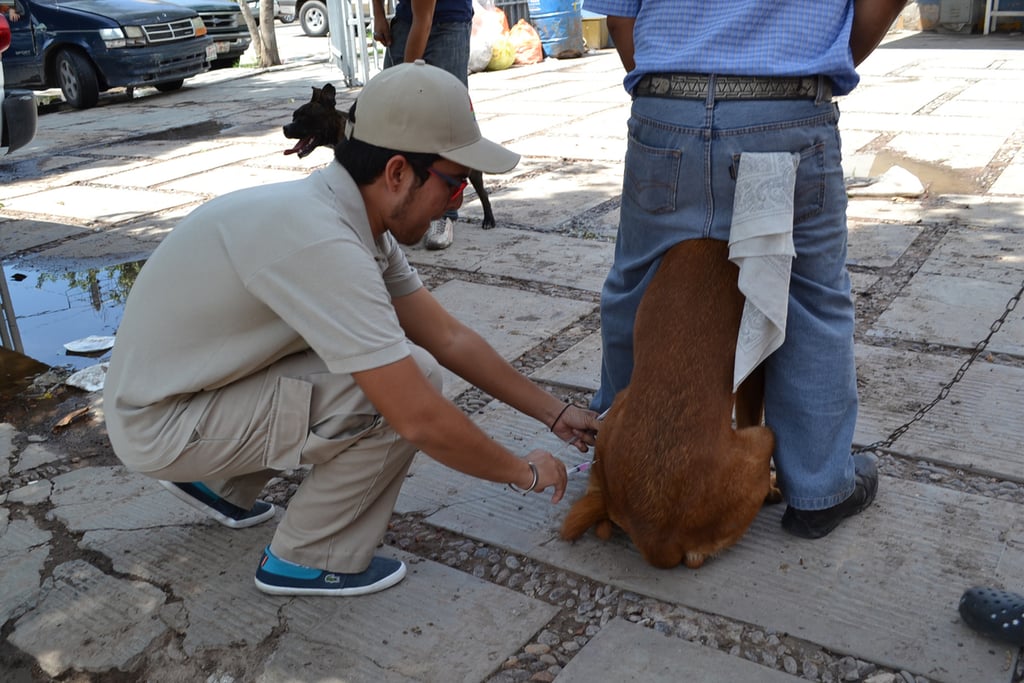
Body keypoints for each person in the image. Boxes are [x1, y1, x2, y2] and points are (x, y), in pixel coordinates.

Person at [103, 61, 600, 597]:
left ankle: (218, 484)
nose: (456, 203)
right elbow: (417, 417)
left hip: (179, 396)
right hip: (160, 424)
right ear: (396, 174)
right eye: (454, 185)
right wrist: (521, 471)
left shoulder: (349, 220)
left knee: (407, 368)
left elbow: (449, 337)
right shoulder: (324, 244)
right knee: (402, 388)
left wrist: (555, 413)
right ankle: (309, 556)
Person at [582, 0, 908, 538]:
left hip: (667, 108)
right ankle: (820, 488)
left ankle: (620, 474)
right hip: (786, 108)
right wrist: (802, 69)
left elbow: (619, 17)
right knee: (810, 301)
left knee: (634, 287)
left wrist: (678, 93)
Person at [371, 0, 474, 250]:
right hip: (407, 20)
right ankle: (391, 209)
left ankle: (443, 215)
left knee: (445, 117)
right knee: (393, 118)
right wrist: (378, 15)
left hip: (449, 21)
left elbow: (424, 20)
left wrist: (407, 82)